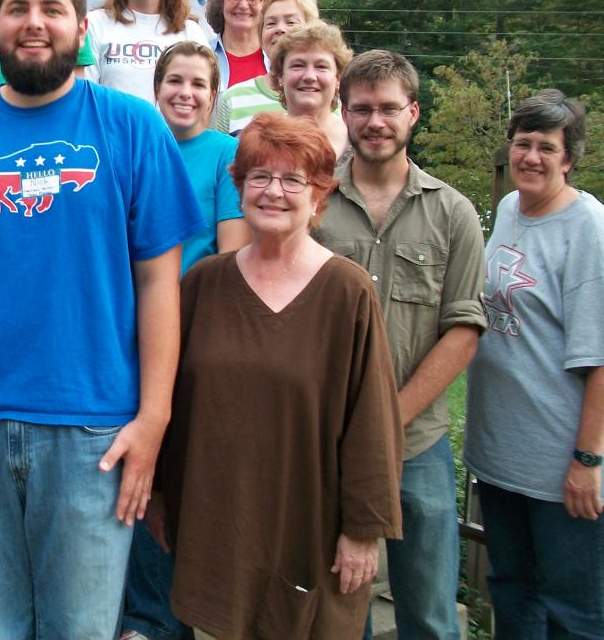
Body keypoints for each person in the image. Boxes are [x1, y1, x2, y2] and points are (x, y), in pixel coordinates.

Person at [0, 0, 205, 638]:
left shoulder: (131, 127)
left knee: (82, 630)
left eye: (52, 9)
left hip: (94, 425)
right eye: (17, 9)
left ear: (80, 26)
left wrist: (154, 418)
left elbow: (159, 283)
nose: (34, 24)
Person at [162, 111, 403, 639]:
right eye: (259, 177)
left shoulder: (348, 291)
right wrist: (158, 494)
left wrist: (363, 530)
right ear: (239, 188)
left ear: (319, 195)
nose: (274, 192)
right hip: (217, 520)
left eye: (293, 179)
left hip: (307, 524)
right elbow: (170, 397)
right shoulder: (204, 284)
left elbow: (372, 422)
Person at [316, 50, 487, 640]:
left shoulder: (455, 214)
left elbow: (463, 330)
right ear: (344, 111)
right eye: (361, 108)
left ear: (413, 113)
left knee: (431, 613)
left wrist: (388, 419)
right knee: (339, 611)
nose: (375, 121)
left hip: (418, 445)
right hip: (327, 442)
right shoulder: (313, 205)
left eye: (389, 108)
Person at [120, 41, 249, 640]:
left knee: (175, 476)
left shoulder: (226, 156)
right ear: (156, 87)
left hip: (191, 335)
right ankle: (142, 618)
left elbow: (231, 255)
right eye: (175, 81)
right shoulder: (132, 147)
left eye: (199, 84)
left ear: (214, 96)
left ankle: (175, 614)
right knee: (133, 475)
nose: (186, 94)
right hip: (121, 333)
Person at [464, 90, 604, 638]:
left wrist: (587, 460)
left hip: (558, 465)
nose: (531, 157)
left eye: (547, 147)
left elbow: (600, 357)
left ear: (569, 158)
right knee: (512, 592)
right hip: (501, 453)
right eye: (523, 143)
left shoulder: (589, 228)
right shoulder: (508, 209)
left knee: (573, 611)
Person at [211, 0, 319, 134]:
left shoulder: (324, 95)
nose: (280, 29)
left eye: (291, 22)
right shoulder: (233, 98)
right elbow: (220, 155)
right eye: (271, 23)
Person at [272, 20, 353, 158]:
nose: (309, 76)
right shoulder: (262, 141)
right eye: (298, 65)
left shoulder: (356, 140)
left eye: (321, 66)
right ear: (281, 76)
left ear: (338, 78)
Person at [204, 0, 275, 92]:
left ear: (267, 5)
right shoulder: (201, 56)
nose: (243, 5)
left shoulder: (278, 61)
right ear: (221, 1)